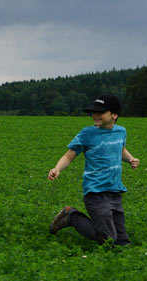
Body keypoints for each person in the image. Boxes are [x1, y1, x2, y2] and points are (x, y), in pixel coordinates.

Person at [47, 93, 140, 245]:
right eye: (93, 112)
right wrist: (57, 168)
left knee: (122, 242)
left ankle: (106, 235)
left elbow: (120, 149)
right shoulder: (87, 134)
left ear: (114, 115)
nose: (95, 115)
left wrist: (130, 159)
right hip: (96, 192)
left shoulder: (121, 132)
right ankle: (71, 216)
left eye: (100, 112)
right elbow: (69, 156)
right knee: (108, 239)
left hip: (115, 192)